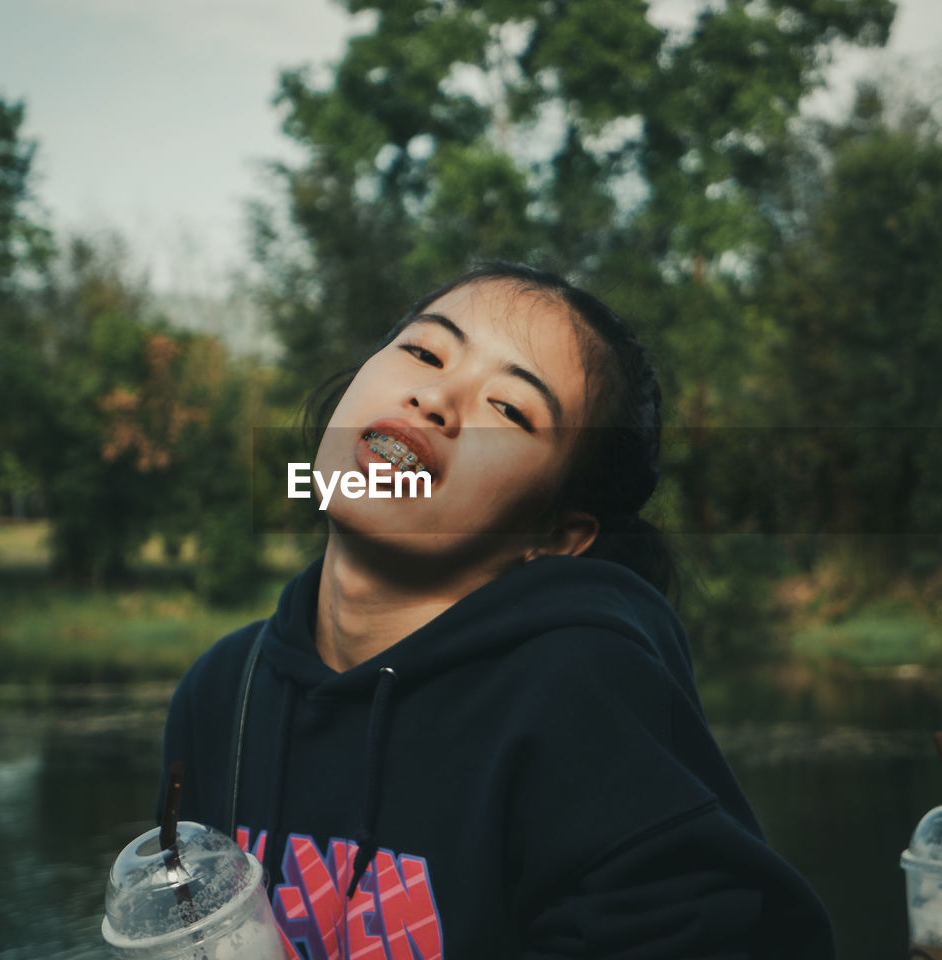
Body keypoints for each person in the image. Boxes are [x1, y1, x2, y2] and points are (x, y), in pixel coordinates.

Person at [156, 263, 836, 959]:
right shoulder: (221, 693)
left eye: (509, 408)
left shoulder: (581, 692)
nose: (436, 398)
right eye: (423, 352)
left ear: (554, 537)